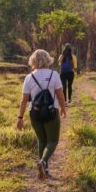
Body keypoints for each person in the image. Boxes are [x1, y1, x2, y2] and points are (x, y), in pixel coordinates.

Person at [17, 49, 67, 179]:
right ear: (47, 60)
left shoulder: (29, 77)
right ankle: (43, 162)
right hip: (51, 112)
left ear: (33, 61)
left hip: (35, 112)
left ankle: (44, 168)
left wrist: (20, 118)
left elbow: (24, 100)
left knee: (41, 140)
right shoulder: (54, 75)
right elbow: (60, 95)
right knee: (53, 140)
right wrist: (63, 108)